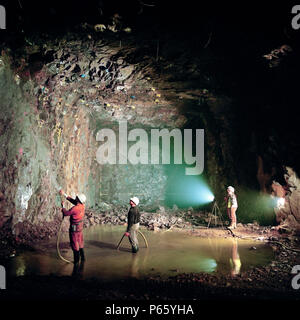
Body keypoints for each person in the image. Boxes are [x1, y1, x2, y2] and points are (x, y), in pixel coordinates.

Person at [60, 190, 86, 264]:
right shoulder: (82, 206)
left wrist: (63, 207)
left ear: (78, 199)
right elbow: (73, 201)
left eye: (77, 197)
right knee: (80, 242)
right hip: (80, 228)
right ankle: (83, 259)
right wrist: (64, 194)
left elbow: (66, 213)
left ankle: (76, 262)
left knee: (74, 243)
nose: (76, 198)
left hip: (74, 228)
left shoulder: (75, 209)